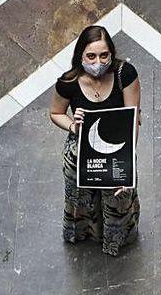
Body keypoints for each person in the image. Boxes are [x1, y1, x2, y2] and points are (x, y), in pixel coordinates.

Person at [48, 25, 141, 256]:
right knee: (79, 197)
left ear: (111, 54)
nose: (97, 61)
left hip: (118, 154)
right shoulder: (68, 82)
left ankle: (115, 238)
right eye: (91, 56)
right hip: (80, 151)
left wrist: (126, 168)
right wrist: (72, 125)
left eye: (103, 55)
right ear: (81, 55)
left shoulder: (125, 75)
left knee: (118, 200)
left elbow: (132, 119)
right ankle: (81, 232)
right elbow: (55, 113)